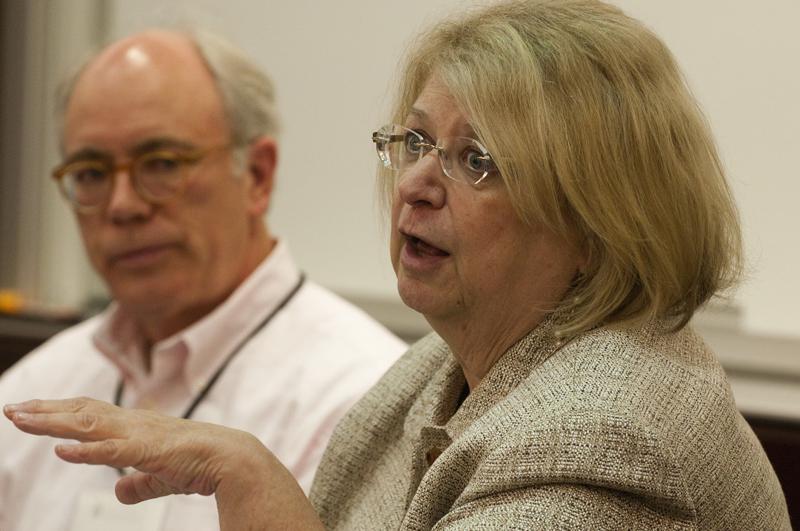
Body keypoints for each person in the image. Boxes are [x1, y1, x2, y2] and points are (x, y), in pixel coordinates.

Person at [4, 1, 792, 529]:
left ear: (597, 217)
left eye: (475, 159)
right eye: (415, 143)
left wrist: (255, 483)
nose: (414, 184)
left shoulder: (604, 440)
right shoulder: (431, 373)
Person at [0, 28, 406, 531]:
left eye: (162, 164)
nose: (123, 205)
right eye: (91, 173)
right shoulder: (30, 395)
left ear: (257, 175)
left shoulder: (360, 400)